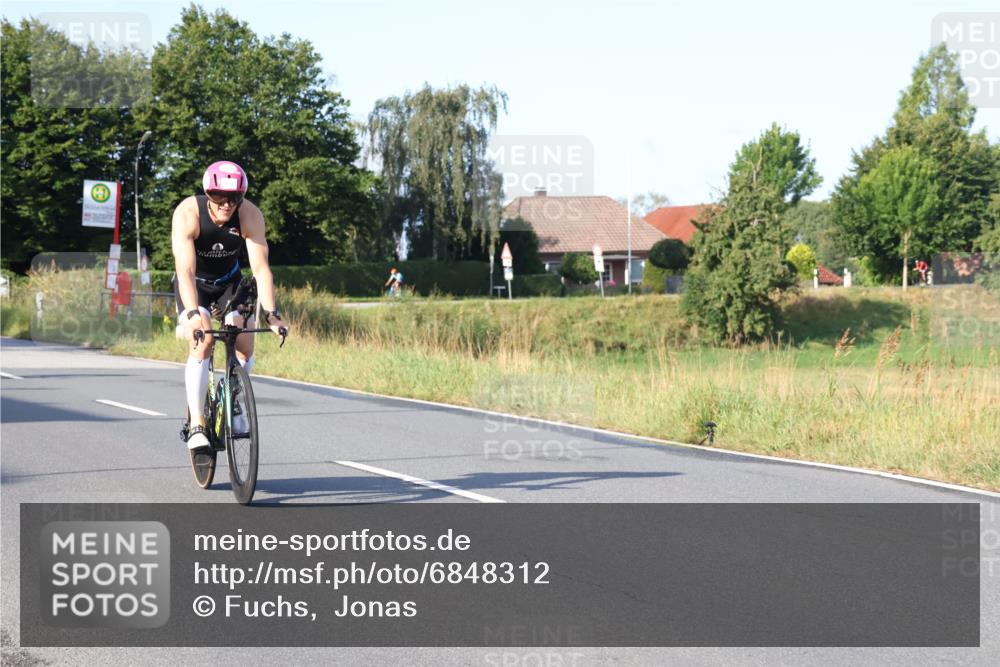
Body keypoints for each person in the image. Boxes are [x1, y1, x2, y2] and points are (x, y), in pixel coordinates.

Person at [172, 160, 288, 452]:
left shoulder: (249, 214)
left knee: (245, 341)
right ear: (208, 194)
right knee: (204, 340)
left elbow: (261, 270)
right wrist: (190, 314)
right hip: (194, 283)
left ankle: (233, 398)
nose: (227, 205)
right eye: (220, 198)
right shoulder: (188, 213)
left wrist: (272, 315)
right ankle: (197, 423)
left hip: (229, 282)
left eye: (234, 198)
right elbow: (184, 270)